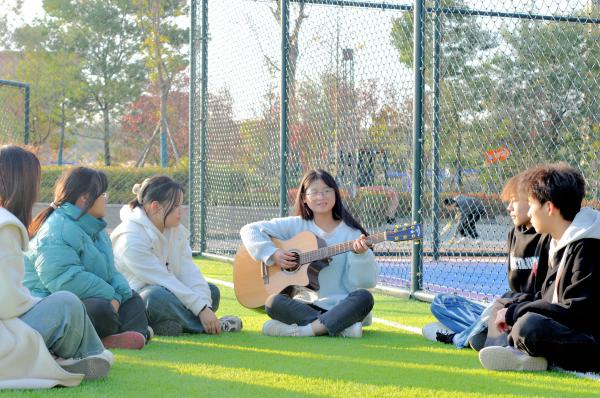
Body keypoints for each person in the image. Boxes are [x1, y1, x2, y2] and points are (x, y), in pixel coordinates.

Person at [0, 146, 112, 388]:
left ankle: (73, 356)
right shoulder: (6, 225)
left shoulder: (95, 228)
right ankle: (85, 356)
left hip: (12, 322)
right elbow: (8, 302)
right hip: (7, 332)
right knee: (67, 304)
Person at [479, 164, 600, 372]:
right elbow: (546, 297)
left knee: (529, 327)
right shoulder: (559, 242)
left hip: (592, 339)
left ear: (549, 208)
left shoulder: (589, 246)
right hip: (573, 331)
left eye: (532, 204)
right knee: (514, 312)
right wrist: (511, 308)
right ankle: (528, 355)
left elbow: (577, 312)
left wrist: (516, 313)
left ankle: (526, 352)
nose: (530, 211)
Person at [240, 169, 377, 338]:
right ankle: (339, 327)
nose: (321, 197)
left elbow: (366, 282)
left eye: (327, 191)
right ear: (304, 198)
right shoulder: (296, 225)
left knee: (364, 297)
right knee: (273, 302)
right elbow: (249, 229)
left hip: (343, 306)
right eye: (315, 192)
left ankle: (305, 330)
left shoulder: (353, 234)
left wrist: (361, 255)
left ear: (336, 194)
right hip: (306, 305)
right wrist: (272, 254)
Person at [24, 167, 149, 350]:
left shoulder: (97, 230)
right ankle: (110, 337)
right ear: (84, 198)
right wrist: (112, 296)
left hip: (93, 297)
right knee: (100, 309)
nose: (106, 199)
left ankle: (111, 337)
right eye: (103, 194)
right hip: (50, 304)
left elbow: (110, 271)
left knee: (133, 299)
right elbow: (66, 280)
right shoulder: (56, 230)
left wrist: (120, 295)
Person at [423, 172, 549, 349]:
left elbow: (547, 297)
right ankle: (482, 328)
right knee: (441, 302)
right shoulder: (513, 234)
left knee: (497, 310)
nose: (509, 208)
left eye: (514, 200)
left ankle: (459, 338)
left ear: (532, 200)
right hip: (507, 307)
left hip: (527, 311)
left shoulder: (548, 237)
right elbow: (514, 287)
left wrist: (506, 309)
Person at [111, 176, 242, 336]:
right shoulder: (130, 238)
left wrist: (205, 306)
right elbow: (162, 279)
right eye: (176, 206)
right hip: (136, 300)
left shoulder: (175, 229)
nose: (182, 210)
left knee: (211, 291)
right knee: (154, 298)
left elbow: (189, 271)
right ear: (155, 207)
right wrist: (200, 309)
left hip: (169, 290)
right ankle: (205, 326)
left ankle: (167, 324)